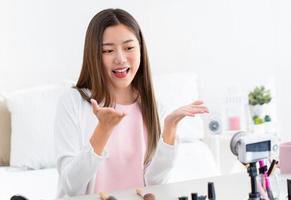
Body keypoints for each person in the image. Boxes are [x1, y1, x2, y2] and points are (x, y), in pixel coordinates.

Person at [54, 8, 208, 197]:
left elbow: (155, 184)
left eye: (129, 48)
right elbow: (70, 185)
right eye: (108, 50)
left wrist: (169, 130)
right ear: (93, 55)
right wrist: (103, 131)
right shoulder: (73, 102)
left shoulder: (154, 106)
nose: (120, 58)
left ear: (141, 49)